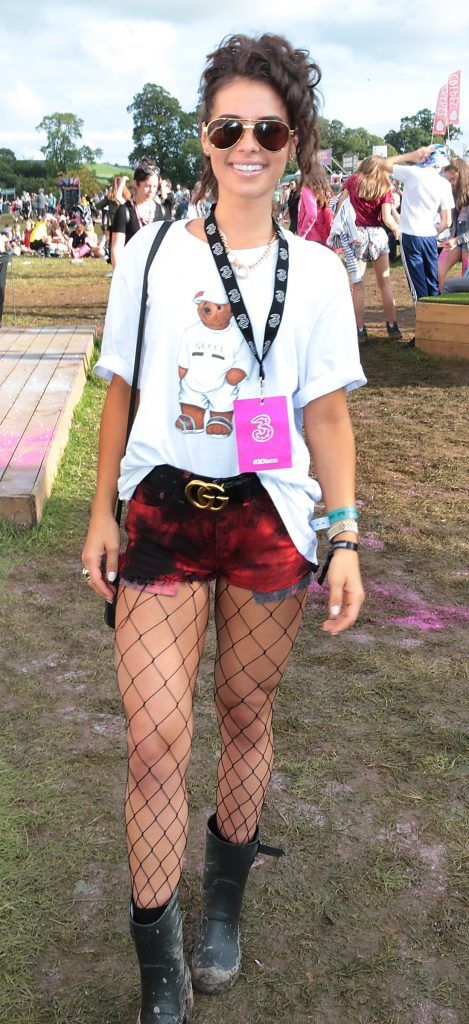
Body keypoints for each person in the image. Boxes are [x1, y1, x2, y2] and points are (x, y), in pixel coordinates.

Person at [82, 32, 365, 1024]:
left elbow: (325, 414)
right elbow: (120, 388)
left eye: (268, 127)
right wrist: (100, 516)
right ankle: (157, 950)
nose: (247, 142)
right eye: (228, 125)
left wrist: (343, 535)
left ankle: (222, 910)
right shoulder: (148, 252)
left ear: (293, 141)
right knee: (157, 738)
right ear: (204, 136)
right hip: (162, 509)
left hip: (269, 519)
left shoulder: (320, 274)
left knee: (244, 719)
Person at [339, 157, 403, 343]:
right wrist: (398, 230)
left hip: (356, 235)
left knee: (357, 285)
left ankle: (360, 330)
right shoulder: (384, 186)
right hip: (377, 235)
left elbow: (342, 207)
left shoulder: (352, 181)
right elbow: (387, 217)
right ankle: (392, 327)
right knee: (385, 283)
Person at [382, 144, 454, 306]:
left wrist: (410, 155)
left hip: (410, 235)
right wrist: (435, 233)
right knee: (432, 284)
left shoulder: (413, 173)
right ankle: (433, 323)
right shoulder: (444, 184)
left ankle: (423, 325)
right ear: (442, 163)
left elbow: (382, 164)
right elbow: (447, 222)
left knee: (418, 287)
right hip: (429, 236)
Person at [111, 162, 165, 267]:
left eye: (154, 186)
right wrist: (119, 276)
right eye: (147, 186)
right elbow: (116, 248)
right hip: (131, 272)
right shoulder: (124, 211)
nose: (151, 190)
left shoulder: (162, 211)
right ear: (136, 184)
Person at [438, 157, 469, 291]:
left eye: (453, 179)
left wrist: (457, 240)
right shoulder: (455, 194)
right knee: (436, 271)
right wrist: (451, 237)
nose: (451, 183)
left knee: (465, 280)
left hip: (465, 242)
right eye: (448, 180)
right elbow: (453, 222)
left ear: (461, 175)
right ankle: (438, 305)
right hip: (457, 239)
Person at [297, 162, 334, 245]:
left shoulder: (307, 189)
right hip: (323, 234)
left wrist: (302, 234)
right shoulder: (325, 190)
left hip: (310, 236)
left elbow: (311, 214)